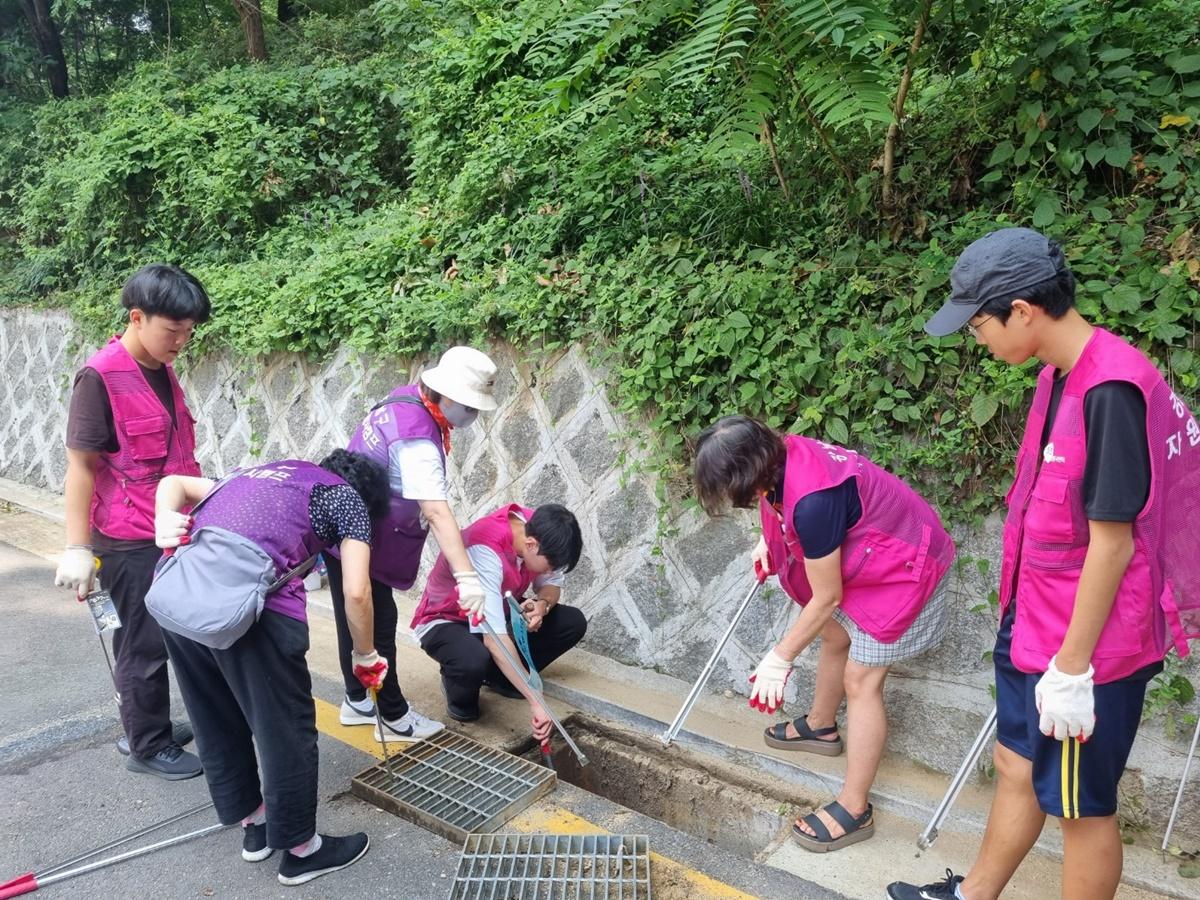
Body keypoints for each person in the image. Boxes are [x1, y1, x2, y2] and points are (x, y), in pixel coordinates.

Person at [887, 228, 1200, 900]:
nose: (977, 340)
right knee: (1015, 762)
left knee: (1081, 809)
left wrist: (1073, 669)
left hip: (1087, 647)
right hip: (1035, 619)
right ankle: (974, 895)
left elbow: (1114, 544)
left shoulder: (1111, 389)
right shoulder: (1058, 376)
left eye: (978, 325)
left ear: (1022, 311)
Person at [694, 414, 956, 852]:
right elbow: (778, 502)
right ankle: (820, 727)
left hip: (907, 567)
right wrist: (767, 539)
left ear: (748, 473)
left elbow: (827, 595)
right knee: (834, 635)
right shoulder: (779, 458)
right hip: (873, 555)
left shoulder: (815, 502)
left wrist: (780, 657)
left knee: (862, 680)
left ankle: (855, 809)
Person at [152, 451, 392, 886]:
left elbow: (176, 483)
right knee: (285, 728)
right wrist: (364, 656)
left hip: (179, 595)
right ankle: (301, 852)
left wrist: (162, 516)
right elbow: (357, 593)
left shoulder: (263, 473)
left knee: (215, 717)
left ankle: (255, 826)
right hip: (249, 611)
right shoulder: (346, 499)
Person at [53, 264, 209, 779]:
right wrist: (77, 547)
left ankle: (148, 724)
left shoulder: (161, 366)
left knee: (170, 634)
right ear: (137, 318)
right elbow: (81, 467)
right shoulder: (99, 377)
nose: (182, 341)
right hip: (128, 538)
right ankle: (146, 745)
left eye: (189, 331)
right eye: (173, 330)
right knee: (142, 643)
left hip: (169, 527)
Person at [326, 345, 499, 744]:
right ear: (447, 396)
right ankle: (393, 717)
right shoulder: (418, 438)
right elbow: (436, 511)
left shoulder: (405, 399)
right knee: (378, 624)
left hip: (342, 523)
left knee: (352, 620)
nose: (471, 415)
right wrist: (466, 577)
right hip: (362, 535)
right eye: (469, 406)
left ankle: (358, 701)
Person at [411, 503, 585, 740]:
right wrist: (537, 701)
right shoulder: (485, 550)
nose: (550, 571)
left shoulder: (542, 533)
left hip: (496, 609)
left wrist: (542, 605)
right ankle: (457, 684)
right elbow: (494, 640)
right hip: (447, 619)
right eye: (550, 566)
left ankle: (502, 679)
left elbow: (551, 586)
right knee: (473, 661)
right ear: (531, 545)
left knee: (571, 622)